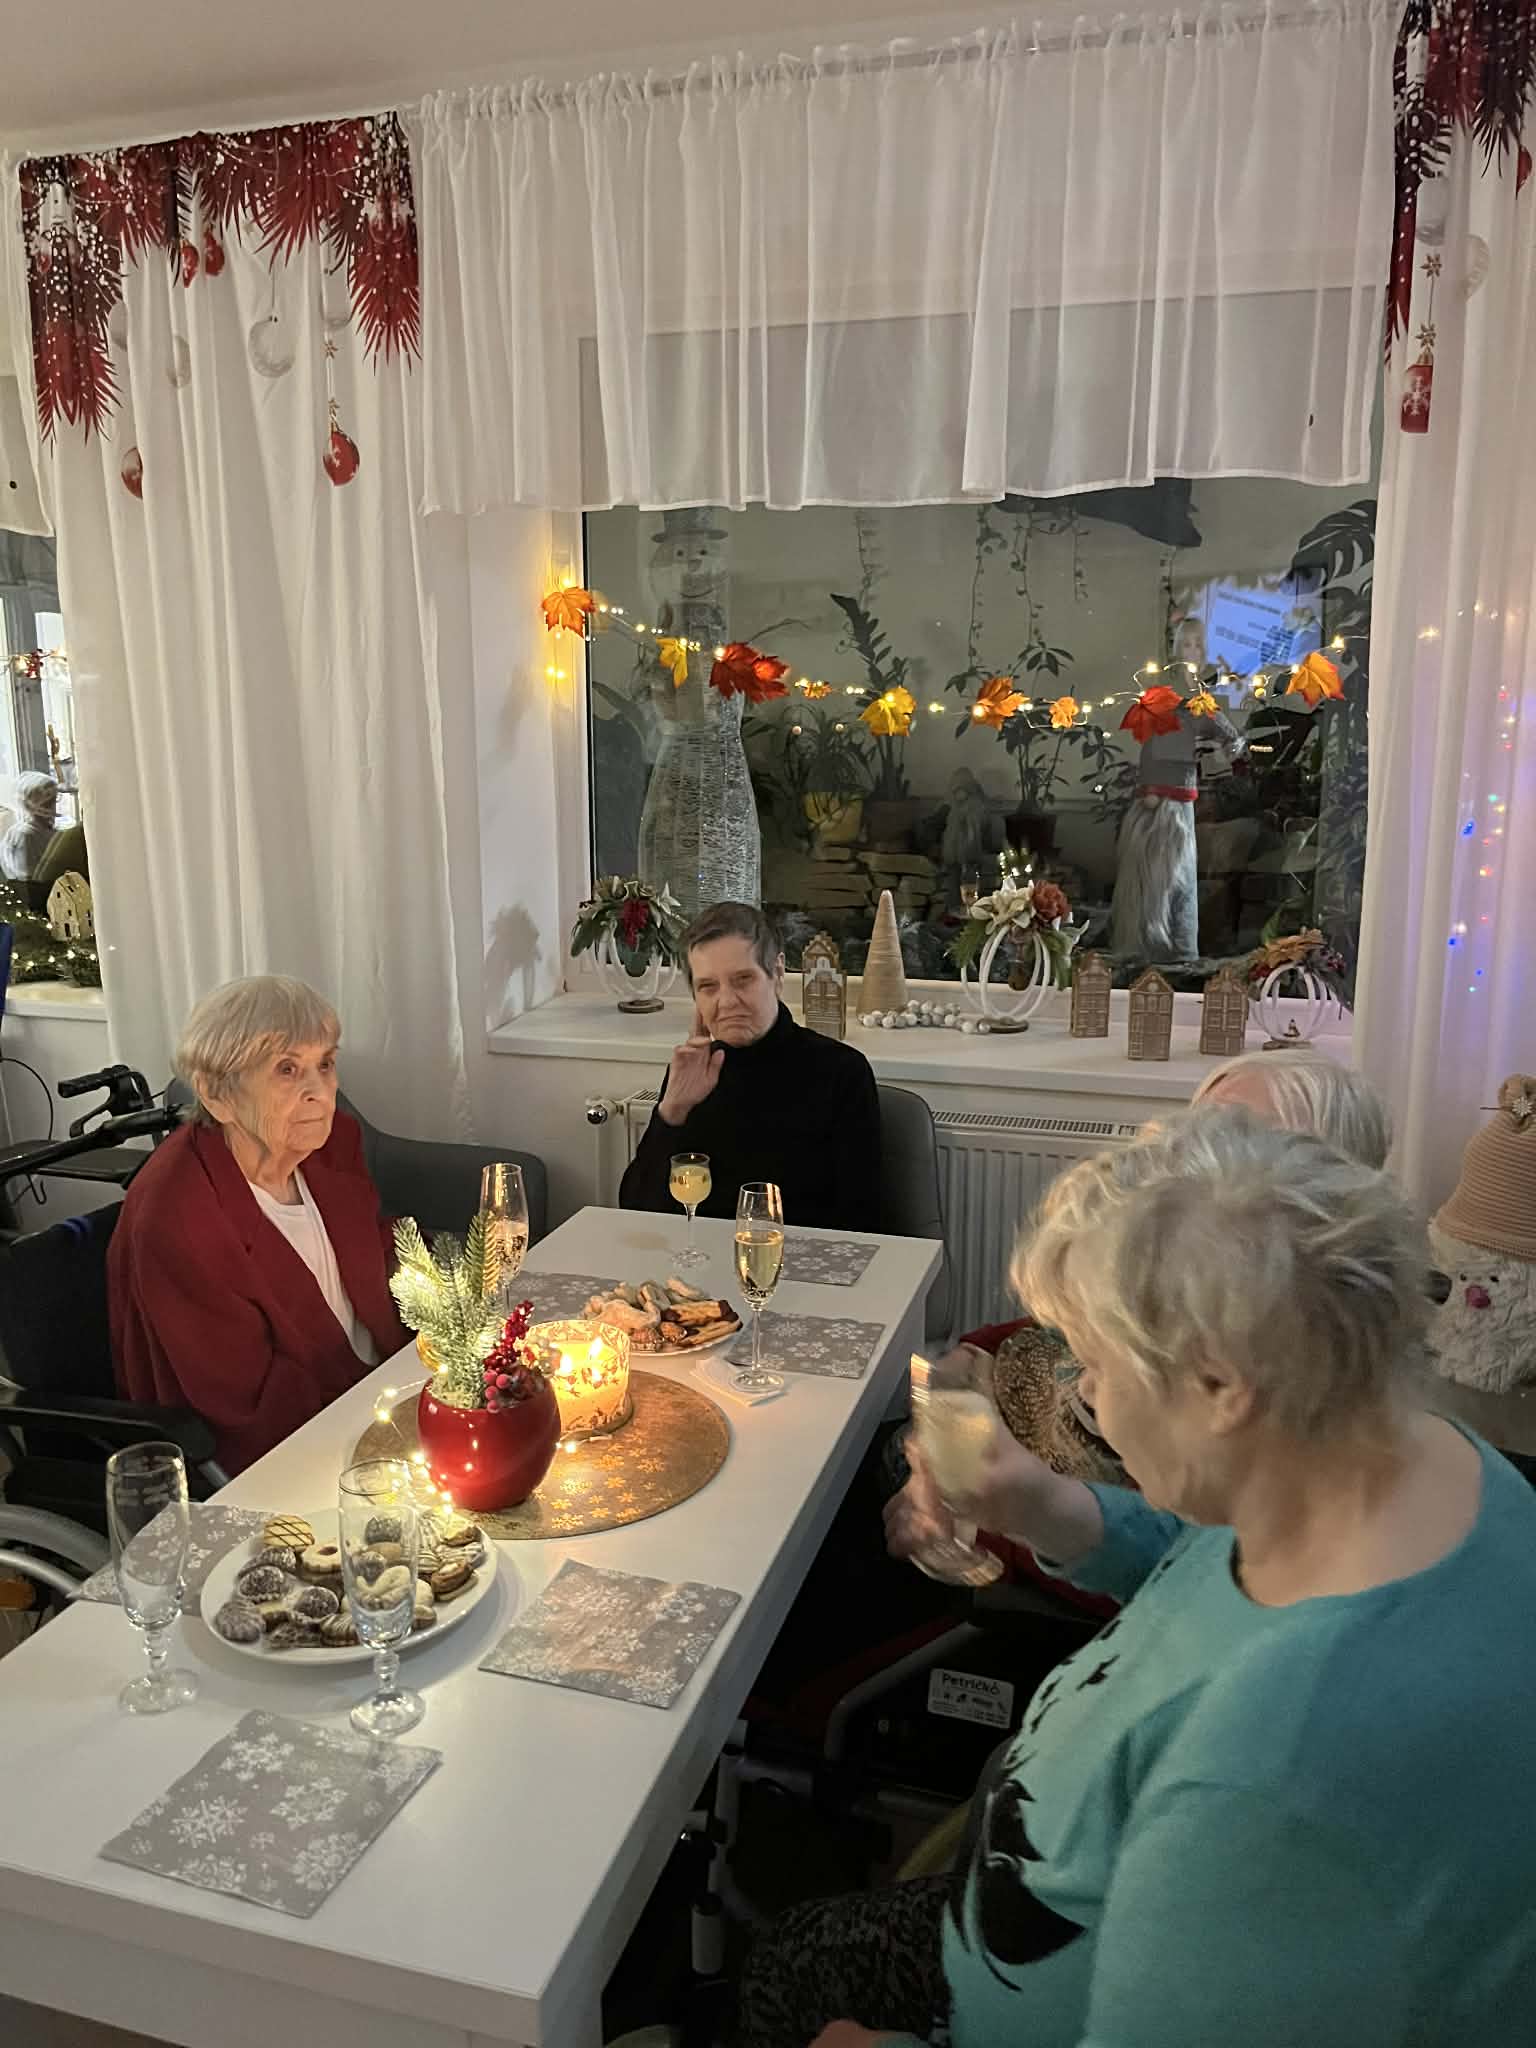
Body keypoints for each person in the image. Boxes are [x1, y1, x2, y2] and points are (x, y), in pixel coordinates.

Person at [740, 1110, 1536, 2047]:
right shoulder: (1424, 1459)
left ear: (1221, 1386)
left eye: (1096, 1364)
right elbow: (1209, 1561)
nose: (1085, 1394)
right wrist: (1045, 1504)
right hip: (1038, 1887)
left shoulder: (1273, 1783)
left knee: (784, 1971)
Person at [110, 975, 407, 1473]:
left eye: (325, 1064)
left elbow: (376, 1258)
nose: (320, 1092)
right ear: (216, 1093)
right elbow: (245, 1405)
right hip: (290, 1449)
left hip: (383, 1390)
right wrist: (386, 1429)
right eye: (287, 1070)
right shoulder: (179, 1214)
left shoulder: (329, 1145)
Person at [619, 901, 881, 1230]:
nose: (727, 1002)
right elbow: (636, 1208)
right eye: (708, 987)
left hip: (800, 1257)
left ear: (778, 973)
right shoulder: (692, 1070)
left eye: (743, 980)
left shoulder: (842, 1072)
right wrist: (671, 1112)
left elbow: (862, 1220)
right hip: (702, 1255)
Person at [0, 771, 58, 881]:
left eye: (54, 801)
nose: (53, 807)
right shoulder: (24, 835)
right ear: (29, 804)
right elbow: (28, 880)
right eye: (47, 804)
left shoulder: (49, 829)